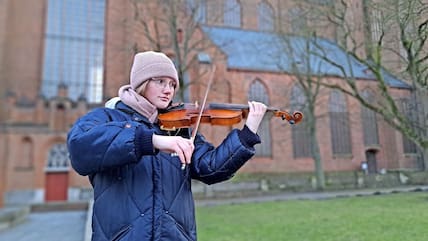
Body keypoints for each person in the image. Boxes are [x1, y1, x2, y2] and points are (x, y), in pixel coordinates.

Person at [67, 51, 267, 241]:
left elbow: (211, 168)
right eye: (160, 81)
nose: (168, 90)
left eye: (172, 84)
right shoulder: (106, 117)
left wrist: (247, 134)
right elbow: (79, 148)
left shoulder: (179, 128)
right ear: (141, 83)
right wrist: (152, 140)